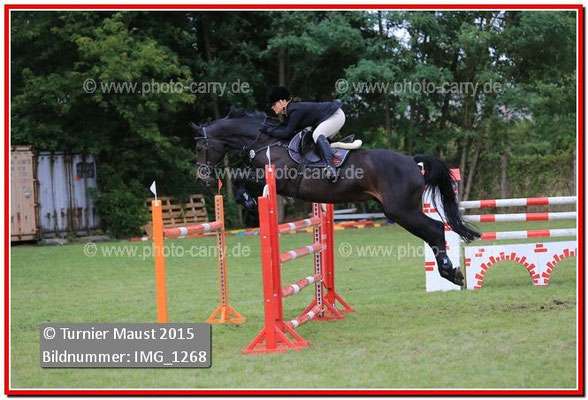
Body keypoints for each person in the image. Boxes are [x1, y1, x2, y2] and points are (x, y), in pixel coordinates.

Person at [260, 86, 345, 181]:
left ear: (283, 101)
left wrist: (268, 130)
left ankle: (331, 168)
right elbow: (289, 130)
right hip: (330, 116)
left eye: (274, 104)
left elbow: (286, 134)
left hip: (336, 115)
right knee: (316, 140)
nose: (272, 107)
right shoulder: (290, 111)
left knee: (317, 134)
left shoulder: (295, 110)